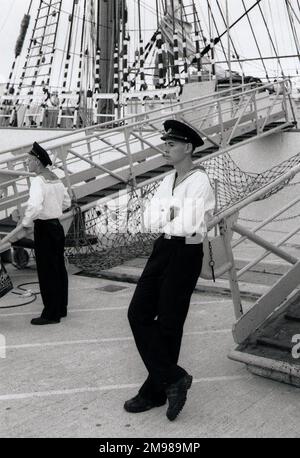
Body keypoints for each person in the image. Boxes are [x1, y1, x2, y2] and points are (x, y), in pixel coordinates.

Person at [125, 119, 216, 421]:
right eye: (166, 143)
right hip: (163, 248)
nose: (166, 148)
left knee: (169, 323)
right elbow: (150, 220)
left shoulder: (199, 180)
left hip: (186, 252)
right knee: (137, 313)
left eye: (171, 144)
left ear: (188, 147)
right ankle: (174, 377)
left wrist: (170, 214)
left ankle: (154, 392)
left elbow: (188, 224)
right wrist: (171, 214)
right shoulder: (168, 180)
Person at [21, 142, 71, 325]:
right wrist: (54, 207)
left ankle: (51, 314)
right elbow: (67, 203)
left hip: (43, 227)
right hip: (56, 227)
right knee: (58, 268)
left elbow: (34, 206)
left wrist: (26, 222)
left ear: (37, 161)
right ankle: (61, 308)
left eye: (29, 160)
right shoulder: (55, 178)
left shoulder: (38, 181)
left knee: (46, 271)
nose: (27, 164)